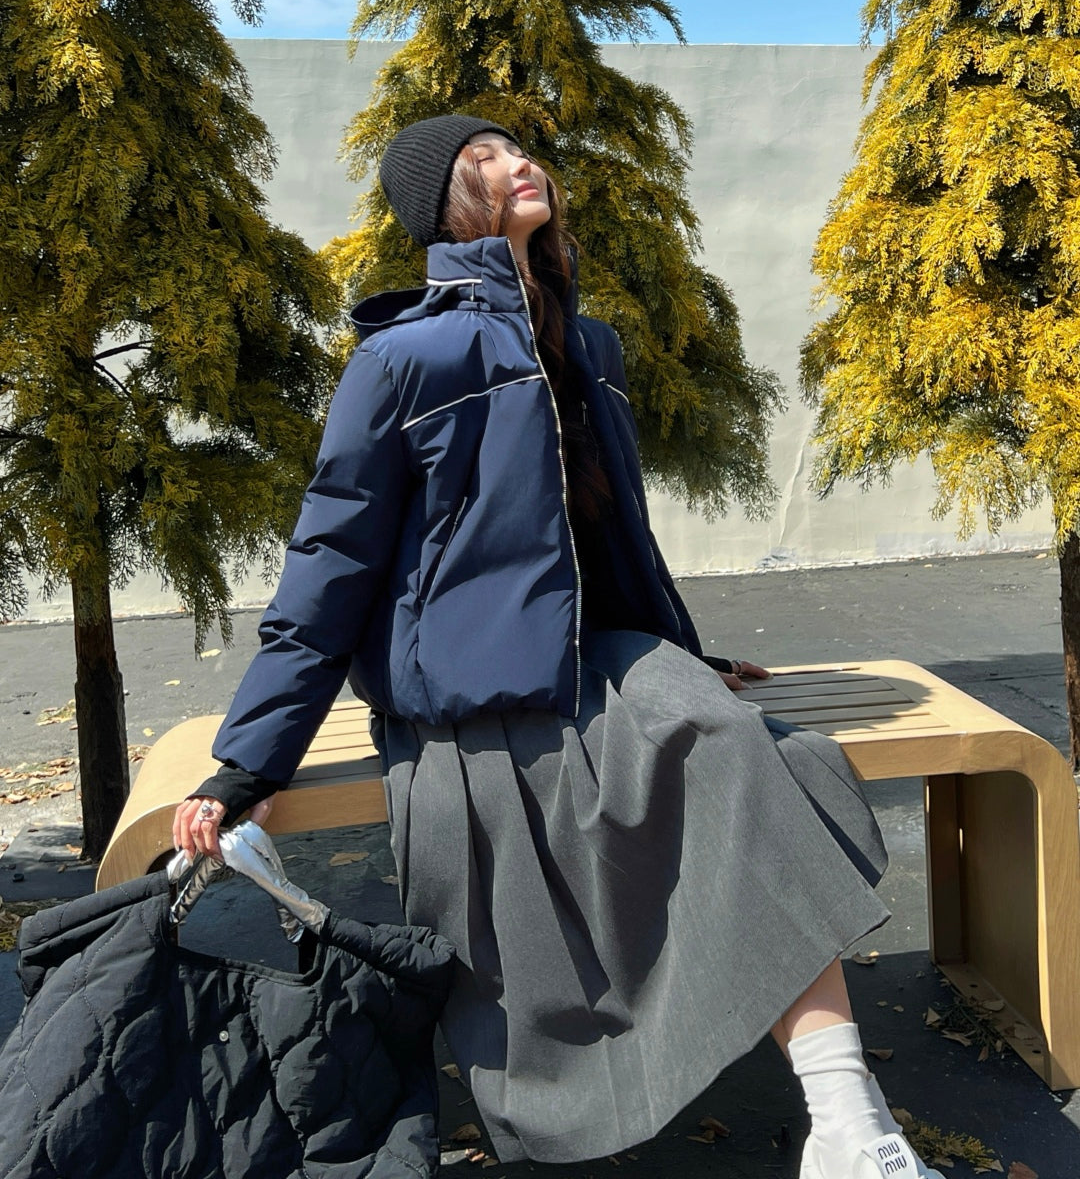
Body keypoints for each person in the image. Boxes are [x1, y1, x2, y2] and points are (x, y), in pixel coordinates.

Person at [174, 115, 943, 1179]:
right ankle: (831, 1120)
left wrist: (683, 651)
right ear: (442, 207)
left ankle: (851, 1127)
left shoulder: (592, 347)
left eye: (516, 148)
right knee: (725, 758)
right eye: (481, 160)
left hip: (596, 653)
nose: (517, 162)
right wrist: (250, 762)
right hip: (472, 691)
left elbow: (610, 537)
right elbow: (329, 563)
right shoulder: (404, 359)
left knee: (740, 748)